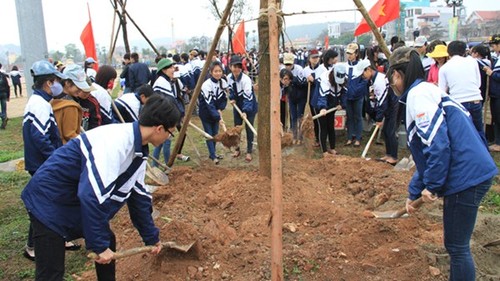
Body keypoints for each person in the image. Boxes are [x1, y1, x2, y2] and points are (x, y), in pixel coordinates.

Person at [21, 94, 180, 281]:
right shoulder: (115, 142)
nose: (169, 137)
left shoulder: (138, 150)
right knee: (51, 272)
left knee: (107, 239)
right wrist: (98, 245)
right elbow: (91, 195)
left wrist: (151, 237)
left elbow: (138, 196)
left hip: (68, 198)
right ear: (159, 129)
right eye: (171, 132)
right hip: (48, 200)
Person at [388, 47, 497, 281]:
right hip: (471, 170)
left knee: (457, 246)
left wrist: (434, 185)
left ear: (398, 75)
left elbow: (438, 145)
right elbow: (426, 156)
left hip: (466, 175)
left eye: (393, 78)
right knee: (456, 245)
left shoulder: (419, 96)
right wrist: (413, 192)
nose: (393, 84)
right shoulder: (426, 91)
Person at [22, 60, 68, 260]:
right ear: (49, 83)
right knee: (43, 205)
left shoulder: (39, 102)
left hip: (41, 162)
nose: (58, 85)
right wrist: (54, 159)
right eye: (56, 80)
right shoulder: (40, 105)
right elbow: (39, 137)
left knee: (52, 201)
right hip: (41, 163)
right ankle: (32, 245)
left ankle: (61, 235)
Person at [439, 41, 486, 145]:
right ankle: (485, 154)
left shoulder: (444, 68)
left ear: (448, 53)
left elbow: (441, 91)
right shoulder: (473, 62)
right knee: (479, 130)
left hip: (458, 103)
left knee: (461, 133)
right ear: (464, 51)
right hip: (475, 99)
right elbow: (478, 83)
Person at [357, 59, 399, 165]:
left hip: (393, 105)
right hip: (388, 106)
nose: (363, 76)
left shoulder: (379, 80)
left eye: (363, 73)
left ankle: (393, 156)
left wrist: (379, 118)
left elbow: (383, 101)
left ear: (369, 70)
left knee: (390, 131)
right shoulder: (373, 80)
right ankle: (388, 154)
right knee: (386, 131)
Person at [152, 58, 190, 165]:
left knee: (161, 142)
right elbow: (170, 101)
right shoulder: (161, 82)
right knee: (166, 141)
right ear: (164, 70)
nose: (173, 70)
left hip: (164, 115)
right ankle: (168, 166)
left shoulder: (166, 81)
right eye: (171, 68)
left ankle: (157, 166)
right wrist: (178, 115)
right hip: (163, 116)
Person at [227, 55, 258, 162]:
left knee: (249, 129)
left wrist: (245, 111)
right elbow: (231, 91)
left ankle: (249, 151)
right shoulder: (229, 78)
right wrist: (232, 99)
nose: (236, 69)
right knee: (237, 128)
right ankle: (237, 149)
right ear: (230, 67)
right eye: (234, 66)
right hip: (238, 106)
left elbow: (248, 97)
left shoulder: (246, 80)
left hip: (250, 106)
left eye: (238, 66)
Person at [199, 61, 228, 164]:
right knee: (209, 134)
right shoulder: (206, 85)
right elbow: (209, 104)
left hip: (216, 112)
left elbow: (224, 98)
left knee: (215, 134)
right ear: (211, 72)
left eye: (220, 71)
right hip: (206, 113)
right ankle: (212, 155)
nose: (218, 73)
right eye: (215, 71)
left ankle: (213, 153)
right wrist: (218, 117)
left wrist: (221, 108)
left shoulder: (223, 83)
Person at [316, 64, 347, 157]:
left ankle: (332, 148)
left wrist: (342, 104)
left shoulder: (344, 78)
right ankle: (324, 151)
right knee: (323, 127)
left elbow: (344, 92)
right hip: (320, 104)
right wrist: (322, 108)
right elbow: (322, 96)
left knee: (331, 126)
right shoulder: (325, 79)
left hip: (332, 104)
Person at [344, 43, 369, 147]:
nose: (349, 55)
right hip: (347, 95)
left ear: (356, 54)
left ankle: (358, 137)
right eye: (348, 53)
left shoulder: (361, 65)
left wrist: (357, 90)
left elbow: (365, 80)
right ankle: (350, 136)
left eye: (351, 53)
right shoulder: (345, 66)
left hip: (358, 96)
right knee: (349, 117)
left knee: (358, 116)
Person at [282, 53, 307, 144]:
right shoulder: (283, 70)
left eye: (289, 64)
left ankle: (300, 137)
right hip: (291, 97)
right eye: (286, 64)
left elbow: (302, 83)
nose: (288, 66)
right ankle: (294, 135)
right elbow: (283, 85)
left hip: (300, 97)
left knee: (300, 116)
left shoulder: (299, 69)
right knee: (293, 116)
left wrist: (292, 79)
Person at [482, 34, 500, 152]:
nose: (493, 48)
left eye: (494, 45)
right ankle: (497, 141)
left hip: (499, 94)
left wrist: (491, 73)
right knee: (496, 118)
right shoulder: (497, 57)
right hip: (495, 94)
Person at [0, 63, 10, 129]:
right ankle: (4, 124)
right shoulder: (3, 75)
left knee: (3, 111)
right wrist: (8, 95)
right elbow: (7, 86)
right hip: (4, 93)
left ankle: (3, 117)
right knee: (4, 109)